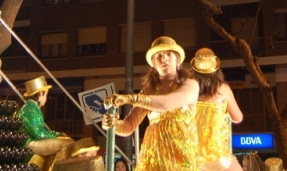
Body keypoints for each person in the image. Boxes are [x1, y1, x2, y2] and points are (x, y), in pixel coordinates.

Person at [103, 36, 200, 171]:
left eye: (169, 54)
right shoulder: (149, 90)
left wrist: (130, 98)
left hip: (181, 158)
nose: (164, 58)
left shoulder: (190, 85)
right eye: (158, 55)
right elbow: (129, 125)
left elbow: (166, 103)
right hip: (153, 158)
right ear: (153, 64)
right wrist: (114, 125)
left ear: (178, 60)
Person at [190, 48, 244, 171]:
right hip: (216, 152)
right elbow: (238, 117)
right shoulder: (222, 88)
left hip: (191, 153)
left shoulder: (187, 89)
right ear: (216, 68)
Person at [17, 75, 74, 171]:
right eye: (46, 95)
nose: (46, 98)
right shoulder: (30, 109)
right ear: (40, 93)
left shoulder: (33, 107)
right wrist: (57, 134)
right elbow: (39, 133)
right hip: (29, 143)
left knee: (66, 140)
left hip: (32, 141)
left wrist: (58, 135)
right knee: (66, 144)